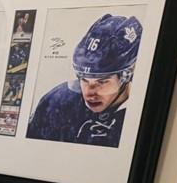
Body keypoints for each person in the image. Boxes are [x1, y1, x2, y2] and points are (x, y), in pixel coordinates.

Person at [26, 14, 142, 147]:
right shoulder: (56, 103)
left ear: (127, 75)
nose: (89, 92)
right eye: (84, 80)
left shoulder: (139, 116)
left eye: (102, 82)